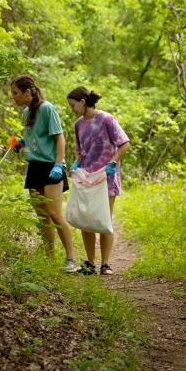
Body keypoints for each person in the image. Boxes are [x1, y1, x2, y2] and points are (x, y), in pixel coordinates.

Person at [10, 75, 80, 273]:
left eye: (15, 93)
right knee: (42, 216)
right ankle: (49, 259)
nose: (13, 97)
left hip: (51, 166)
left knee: (55, 214)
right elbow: (32, 138)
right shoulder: (25, 113)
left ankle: (71, 259)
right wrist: (21, 143)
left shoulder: (47, 108)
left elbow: (60, 139)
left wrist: (59, 165)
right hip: (34, 167)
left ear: (27, 92)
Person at [66, 87, 130, 275]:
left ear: (83, 102)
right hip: (86, 178)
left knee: (103, 220)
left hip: (107, 177)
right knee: (86, 220)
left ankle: (106, 264)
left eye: (73, 105)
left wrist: (113, 162)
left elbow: (124, 143)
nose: (72, 109)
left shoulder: (106, 119)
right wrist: (76, 163)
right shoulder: (78, 124)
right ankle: (90, 264)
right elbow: (80, 151)